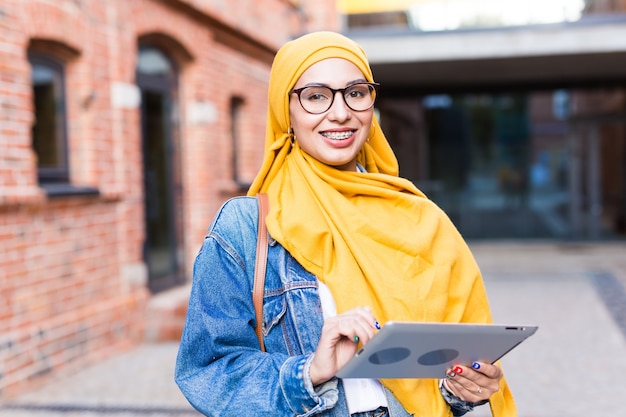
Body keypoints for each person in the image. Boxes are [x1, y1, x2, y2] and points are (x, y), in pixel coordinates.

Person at [175, 31, 517, 417]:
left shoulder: (422, 219)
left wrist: (464, 389)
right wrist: (310, 372)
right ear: (284, 110)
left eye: (356, 92)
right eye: (316, 96)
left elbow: (443, 373)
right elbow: (206, 370)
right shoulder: (247, 227)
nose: (340, 113)